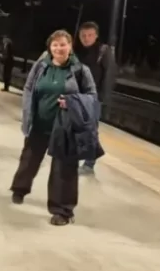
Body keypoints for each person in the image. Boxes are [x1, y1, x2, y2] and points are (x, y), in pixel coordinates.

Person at [9, 29, 97, 226]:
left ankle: (63, 210)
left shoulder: (80, 70)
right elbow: (29, 88)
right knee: (29, 160)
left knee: (63, 169)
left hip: (65, 127)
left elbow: (92, 96)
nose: (59, 48)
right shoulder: (41, 66)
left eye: (63, 44)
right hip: (39, 123)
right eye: (55, 45)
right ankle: (19, 189)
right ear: (50, 48)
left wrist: (72, 102)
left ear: (70, 46)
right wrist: (27, 113)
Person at [74, 21, 115, 175]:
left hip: (93, 97)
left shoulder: (103, 51)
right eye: (83, 35)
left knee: (90, 129)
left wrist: (103, 97)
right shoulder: (75, 51)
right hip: (76, 96)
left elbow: (109, 75)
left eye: (90, 35)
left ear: (96, 36)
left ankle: (89, 163)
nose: (86, 38)